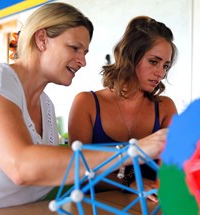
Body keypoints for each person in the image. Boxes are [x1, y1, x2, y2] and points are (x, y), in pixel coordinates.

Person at [0, 3, 168, 215]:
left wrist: (128, 180)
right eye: (75, 48)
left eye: (85, 52)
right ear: (42, 40)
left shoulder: (45, 104)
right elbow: (21, 166)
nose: (82, 61)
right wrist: (131, 152)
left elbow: (57, 170)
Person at [68, 16, 178, 201]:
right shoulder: (86, 103)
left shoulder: (165, 107)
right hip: (94, 207)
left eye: (165, 66)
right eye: (153, 61)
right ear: (131, 56)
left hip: (148, 208)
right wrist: (130, 182)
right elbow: (78, 172)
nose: (161, 73)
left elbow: (174, 169)